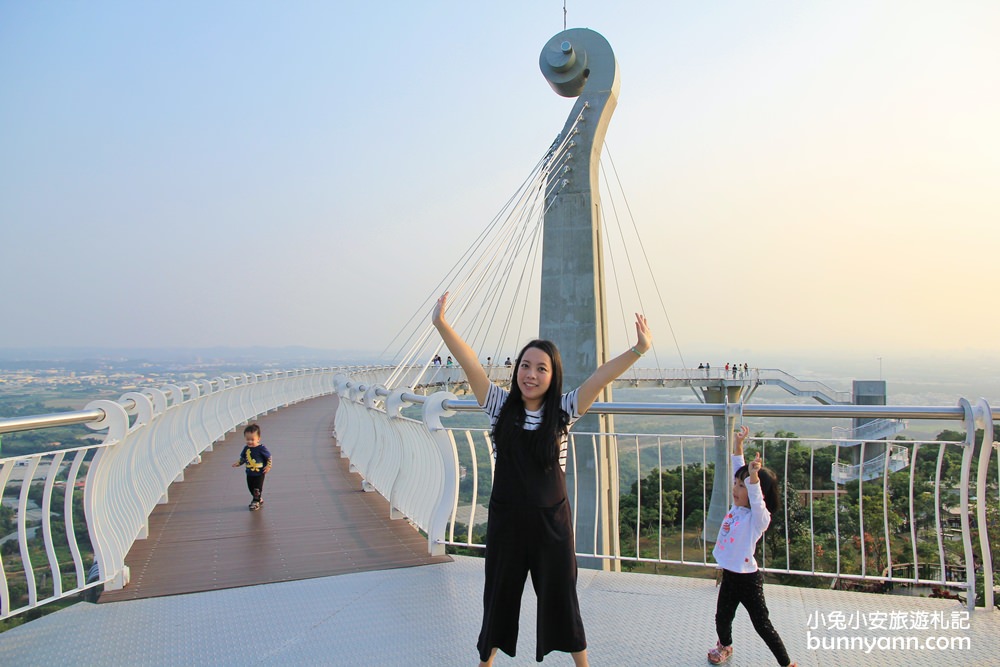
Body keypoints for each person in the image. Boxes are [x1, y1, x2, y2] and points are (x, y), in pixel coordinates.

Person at [432, 291, 651, 667]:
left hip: (552, 524)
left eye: (541, 368)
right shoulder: (499, 406)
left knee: (561, 598)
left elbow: (599, 377)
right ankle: (485, 662)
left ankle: (582, 664)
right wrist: (441, 324)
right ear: (517, 370)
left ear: (553, 375)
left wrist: (639, 349)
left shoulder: (564, 410)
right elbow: (470, 365)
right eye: (525, 366)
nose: (531, 374)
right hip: (507, 523)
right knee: (499, 596)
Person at [708, 425, 796, 666]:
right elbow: (738, 468)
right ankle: (725, 645)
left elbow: (756, 498)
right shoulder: (738, 509)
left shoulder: (758, 518)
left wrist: (753, 479)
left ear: (757, 492)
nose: (735, 489)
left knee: (762, 624)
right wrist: (738, 446)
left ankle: (786, 662)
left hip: (748, 579)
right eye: (736, 484)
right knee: (722, 618)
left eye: (741, 486)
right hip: (730, 575)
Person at [232, 423, 272, 511]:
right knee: (251, 487)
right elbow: (243, 458)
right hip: (249, 472)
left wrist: (268, 466)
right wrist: (238, 463)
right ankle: (258, 499)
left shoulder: (261, 448)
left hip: (259, 472)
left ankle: (255, 502)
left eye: (252, 439)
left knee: (257, 489)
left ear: (258, 439)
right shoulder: (246, 449)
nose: (249, 441)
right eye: (247, 439)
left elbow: (269, 457)